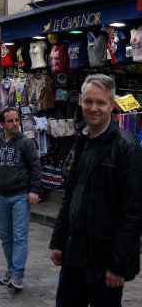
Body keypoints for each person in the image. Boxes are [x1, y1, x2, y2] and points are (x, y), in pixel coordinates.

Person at [49, 74, 142, 307]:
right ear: (80, 101)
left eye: (100, 103)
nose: (93, 108)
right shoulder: (81, 139)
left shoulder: (126, 147)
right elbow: (70, 195)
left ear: (112, 104)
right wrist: (59, 241)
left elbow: (132, 212)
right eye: (88, 101)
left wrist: (118, 265)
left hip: (105, 261)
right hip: (74, 255)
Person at [0, 108, 41, 291]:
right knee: (5, 237)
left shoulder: (26, 144)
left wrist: (34, 190)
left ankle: (17, 273)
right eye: (10, 121)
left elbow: (35, 167)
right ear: (2, 124)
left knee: (20, 237)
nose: (15, 123)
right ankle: (10, 269)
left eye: (17, 120)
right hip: (1, 196)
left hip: (20, 195)